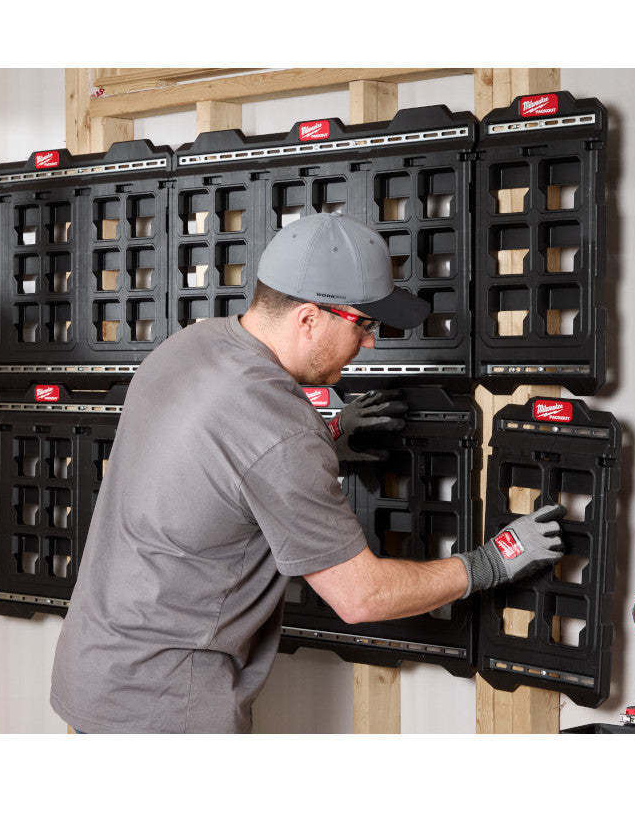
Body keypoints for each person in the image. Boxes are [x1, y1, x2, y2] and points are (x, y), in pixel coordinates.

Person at [50, 213, 564, 733]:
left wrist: (330, 433)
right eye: (364, 324)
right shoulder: (281, 430)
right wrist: (492, 562)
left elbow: (220, 462)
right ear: (309, 318)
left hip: (93, 671)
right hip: (165, 707)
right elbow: (361, 596)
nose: (370, 342)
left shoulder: (188, 347)